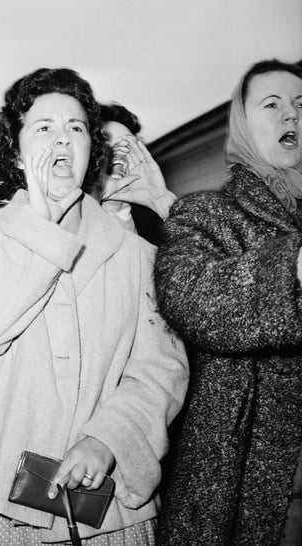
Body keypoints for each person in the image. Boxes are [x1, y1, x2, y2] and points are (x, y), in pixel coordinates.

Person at [0, 67, 189, 544]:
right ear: (16, 148)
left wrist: (108, 438)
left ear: (93, 149)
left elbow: (161, 371)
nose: (61, 141)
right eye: (44, 128)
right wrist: (41, 224)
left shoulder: (136, 256)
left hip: (105, 515)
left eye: (76, 129)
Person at [154, 59, 302, 546]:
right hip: (251, 485)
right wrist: (293, 267)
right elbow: (196, 302)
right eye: (273, 104)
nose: (291, 116)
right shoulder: (205, 215)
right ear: (242, 121)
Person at [98, 102, 176, 245]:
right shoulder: (70, 218)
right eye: (106, 141)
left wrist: (161, 201)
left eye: (129, 143)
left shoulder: (154, 220)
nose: (120, 150)